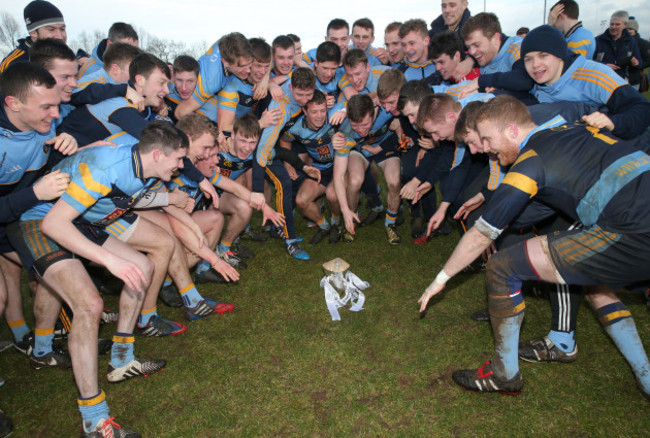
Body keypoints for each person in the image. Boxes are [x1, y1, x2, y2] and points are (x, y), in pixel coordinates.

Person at [418, 95, 650, 401]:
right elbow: (543, 206)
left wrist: (440, 280)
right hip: (635, 212)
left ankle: (504, 375)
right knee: (594, 282)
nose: (485, 148)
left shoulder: (530, 162)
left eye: (487, 139)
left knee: (502, 267)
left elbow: (481, 236)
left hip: (633, 230)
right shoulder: (571, 129)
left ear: (512, 131)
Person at [19, 122, 191, 437]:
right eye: (178, 159)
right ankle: (94, 421)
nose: (182, 166)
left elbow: (114, 166)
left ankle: (122, 360)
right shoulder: (106, 169)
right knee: (89, 305)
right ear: (156, 154)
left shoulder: (136, 153)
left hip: (82, 218)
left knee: (142, 266)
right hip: (42, 219)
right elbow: (55, 224)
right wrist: (110, 260)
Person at [253, 67, 316, 259]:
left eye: (308, 94)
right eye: (300, 94)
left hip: (271, 146)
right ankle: (291, 241)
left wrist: (271, 81)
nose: (304, 99)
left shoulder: (296, 82)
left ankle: (277, 227)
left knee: (296, 179)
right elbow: (261, 152)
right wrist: (257, 191)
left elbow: (297, 67)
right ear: (290, 87)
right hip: (255, 148)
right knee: (283, 183)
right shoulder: (280, 108)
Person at [333, 94, 402, 244]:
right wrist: (345, 210)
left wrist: (399, 125)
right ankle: (353, 217)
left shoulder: (386, 109)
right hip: (359, 149)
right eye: (355, 125)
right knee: (355, 181)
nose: (360, 130)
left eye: (365, 124)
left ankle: (390, 223)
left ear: (373, 113)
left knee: (394, 181)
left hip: (384, 146)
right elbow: (338, 176)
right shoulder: (346, 131)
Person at [279, 90, 343, 244]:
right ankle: (324, 226)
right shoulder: (296, 128)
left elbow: (354, 105)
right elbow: (284, 140)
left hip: (338, 166)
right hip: (317, 169)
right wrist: (287, 165)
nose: (320, 116)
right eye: (314, 111)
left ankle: (336, 224)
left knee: (332, 195)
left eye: (322, 111)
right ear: (304, 111)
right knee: (302, 200)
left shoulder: (335, 115)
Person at [175, 32, 254, 120]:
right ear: (226, 63)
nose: (248, 70)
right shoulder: (210, 82)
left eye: (250, 64)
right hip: (183, 96)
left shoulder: (230, 43)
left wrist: (264, 80)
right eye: (242, 66)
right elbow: (180, 113)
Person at [0, 0, 66, 73]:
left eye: (62, 29)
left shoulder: (68, 58)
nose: (59, 36)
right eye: (51, 29)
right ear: (33, 32)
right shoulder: (15, 64)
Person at [595, 10, 641, 82]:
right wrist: (604, 66)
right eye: (612, 24)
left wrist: (636, 63)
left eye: (617, 24)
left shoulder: (631, 42)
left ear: (625, 25)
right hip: (602, 82)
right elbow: (589, 61)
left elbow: (639, 61)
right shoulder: (598, 40)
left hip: (621, 82)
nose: (613, 27)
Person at [397, 19, 439, 83]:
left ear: (426, 41)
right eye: (404, 45)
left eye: (412, 43)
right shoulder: (400, 74)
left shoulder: (441, 66)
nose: (407, 50)